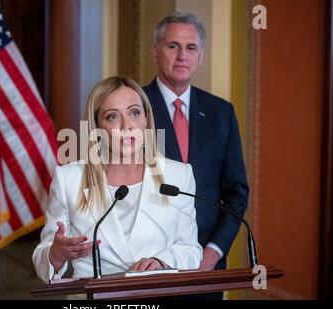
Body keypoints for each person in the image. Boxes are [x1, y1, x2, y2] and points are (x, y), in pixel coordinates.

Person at [33, 76, 202, 283]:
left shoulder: (179, 176)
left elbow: (191, 250)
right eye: (112, 116)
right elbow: (43, 262)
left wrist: (161, 261)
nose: (126, 126)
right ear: (96, 126)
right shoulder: (69, 178)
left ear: (146, 119)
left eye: (134, 113)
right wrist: (56, 254)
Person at [143, 13, 249, 278]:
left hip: (205, 265)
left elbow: (236, 192)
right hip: (145, 263)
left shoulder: (221, 112)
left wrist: (214, 251)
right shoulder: (133, 107)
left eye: (191, 48)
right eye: (172, 46)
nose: (182, 56)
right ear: (156, 52)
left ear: (200, 56)